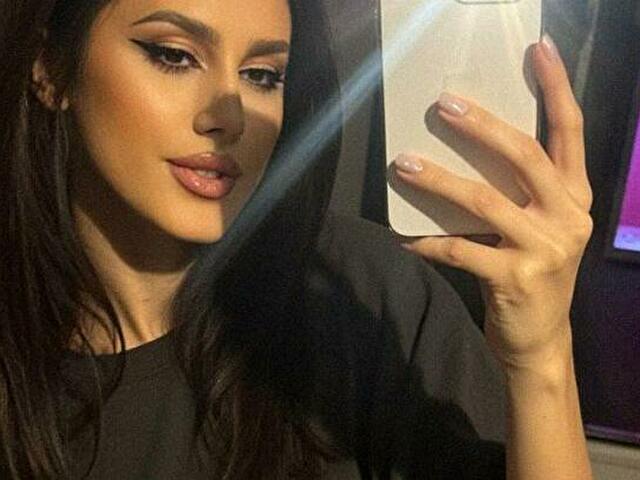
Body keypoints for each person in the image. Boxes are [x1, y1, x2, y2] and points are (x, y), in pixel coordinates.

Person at [0, 0, 594, 479]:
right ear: (50, 67)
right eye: (175, 56)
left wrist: (541, 355)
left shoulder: (367, 297)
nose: (230, 115)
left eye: (262, 75)